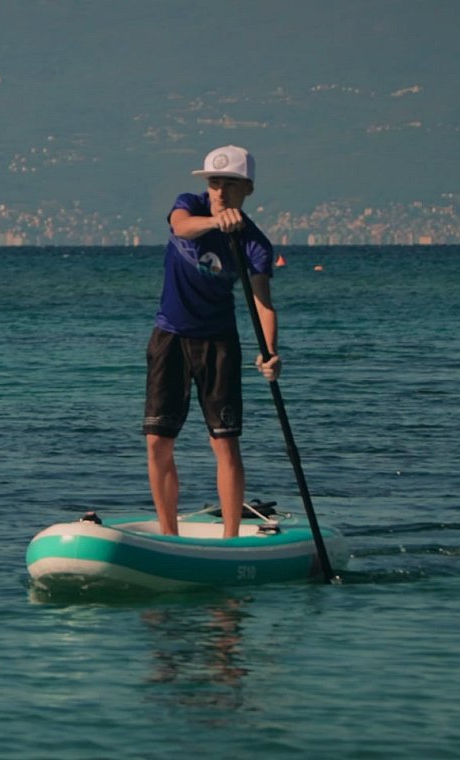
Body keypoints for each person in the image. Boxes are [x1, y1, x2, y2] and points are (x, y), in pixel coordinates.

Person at [144, 145, 280, 538]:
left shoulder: (254, 244)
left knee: (224, 443)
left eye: (229, 184)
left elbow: (262, 303)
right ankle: (169, 536)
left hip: (218, 342)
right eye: (214, 183)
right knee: (157, 441)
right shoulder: (189, 205)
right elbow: (180, 227)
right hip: (169, 335)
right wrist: (216, 222)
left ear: (247, 189)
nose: (219, 191)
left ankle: (231, 537)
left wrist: (269, 353)